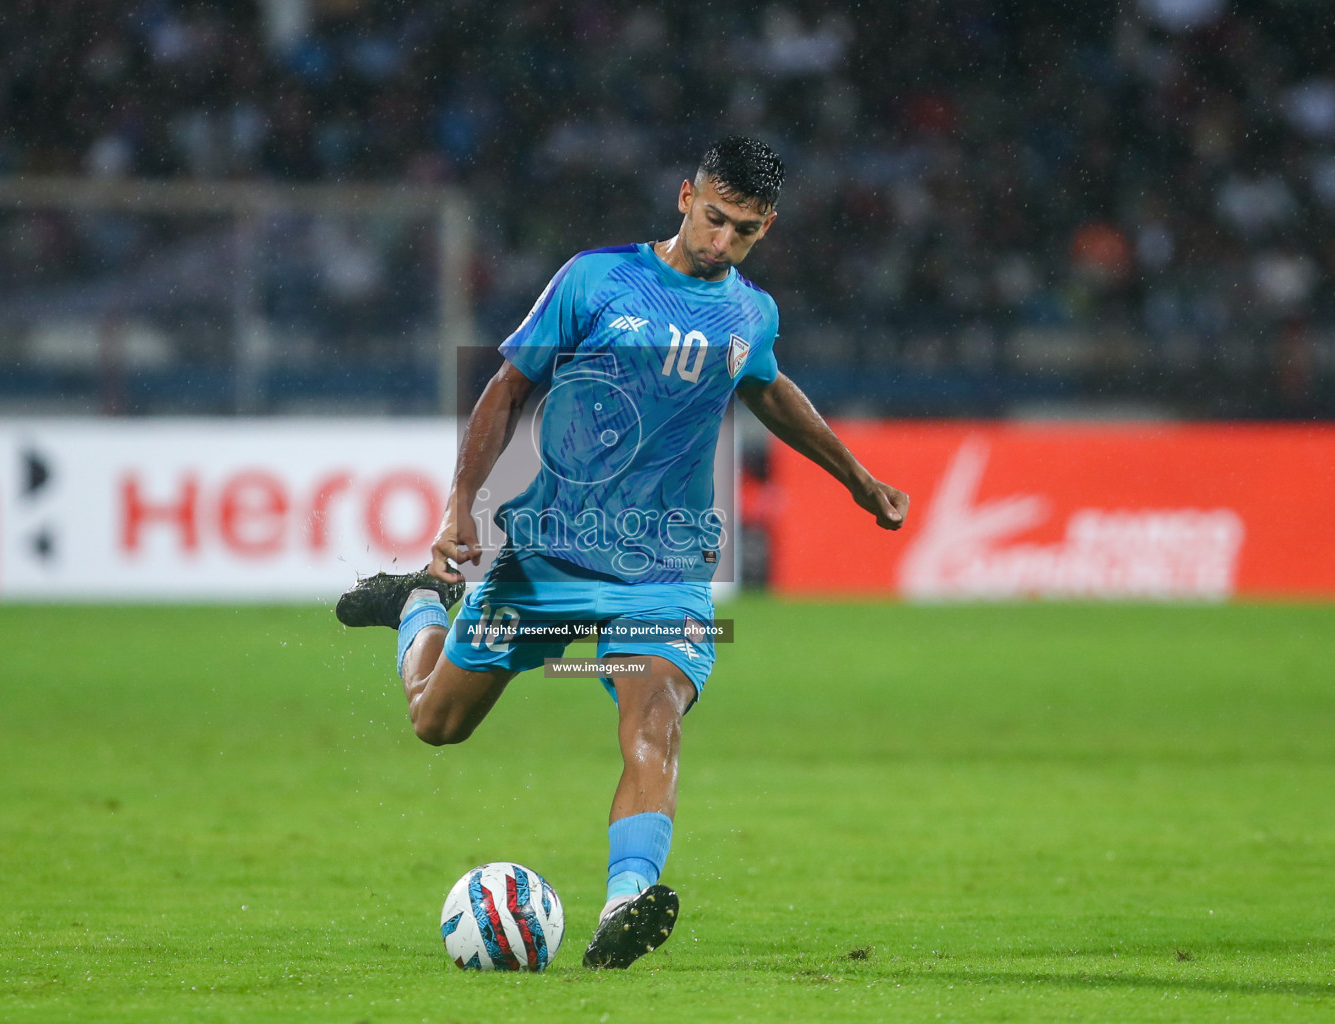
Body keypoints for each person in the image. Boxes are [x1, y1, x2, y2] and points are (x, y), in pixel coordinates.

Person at [336, 136, 908, 969]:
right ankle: (418, 603)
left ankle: (624, 905)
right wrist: (461, 505)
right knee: (436, 721)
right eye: (713, 218)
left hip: (664, 570)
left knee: (656, 716)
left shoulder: (752, 313)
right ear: (685, 197)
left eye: (743, 231)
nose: (721, 242)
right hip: (547, 557)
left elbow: (768, 386)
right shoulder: (595, 279)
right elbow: (507, 387)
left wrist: (855, 477)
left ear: (765, 229)